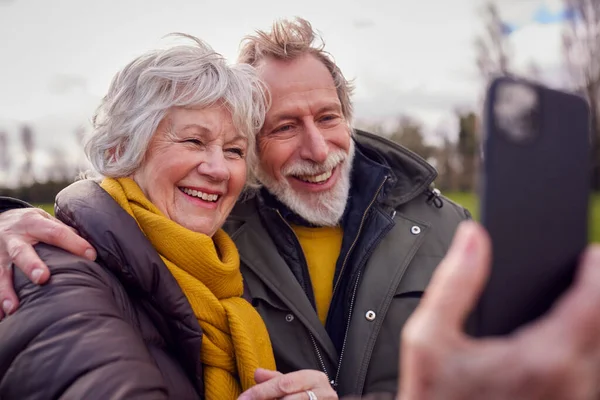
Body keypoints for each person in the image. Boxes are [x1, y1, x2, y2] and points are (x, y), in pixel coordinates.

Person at [0, 35, 336, 400]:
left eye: (235, 150)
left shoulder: (222, 279)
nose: (219, 169)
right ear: (121, 150)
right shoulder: (56, 275)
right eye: (193, 141)